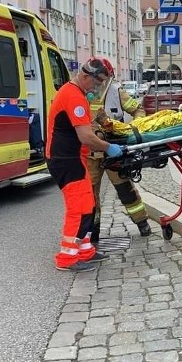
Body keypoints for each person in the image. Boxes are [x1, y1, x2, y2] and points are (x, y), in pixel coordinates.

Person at [46, 58, 124, 272]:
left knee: (88, 204)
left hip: (73, 158)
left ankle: (85, 250)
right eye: (98, 82)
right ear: (87, 76)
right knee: (77, 208)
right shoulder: (73, 96)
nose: (98, 87)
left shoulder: (76, 93)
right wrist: (108, 147)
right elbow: (86, 137)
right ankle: (66, 258)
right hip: (65, 160)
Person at [87, 57, 153, 251]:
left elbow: (138, 110)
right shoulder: (81, 92)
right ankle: (93, 231)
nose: (101, 83)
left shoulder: (116, 91)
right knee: (90, 196)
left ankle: (142, 223)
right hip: (90, 153)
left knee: (125, 188)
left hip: (113, 148)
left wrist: (131, 130)